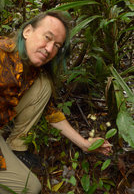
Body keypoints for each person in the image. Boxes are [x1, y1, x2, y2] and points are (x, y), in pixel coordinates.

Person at [0, 11, 111, 194]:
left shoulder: (33, 69)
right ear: (27, 31)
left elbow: (50, 112)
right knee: (28, 188)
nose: (50, 49)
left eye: (57, 45)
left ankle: (16, 148)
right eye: (47, 37)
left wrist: (84, 144)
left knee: (44, 86)